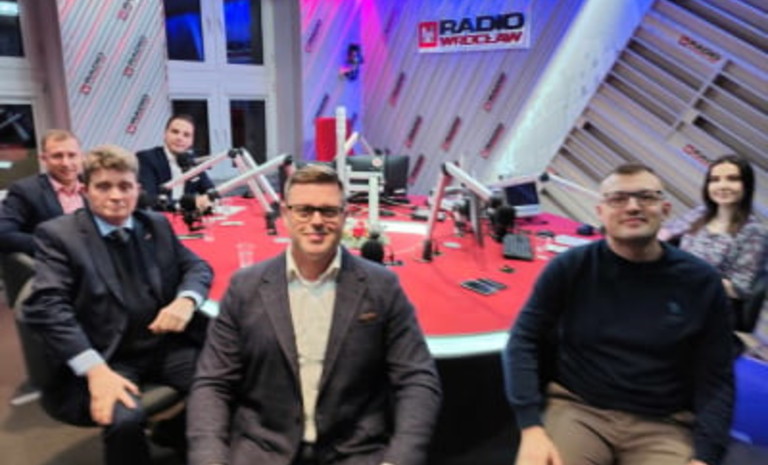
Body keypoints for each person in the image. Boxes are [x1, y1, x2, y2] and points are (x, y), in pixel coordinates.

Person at [188, 164, 442, 465]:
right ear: (286, 215)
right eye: (304, 210)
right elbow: (212, 383)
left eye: (329, 211)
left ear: (345, 216)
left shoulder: (382, 286)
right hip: (262, 451)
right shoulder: (245, 287)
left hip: (355, 452)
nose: (317, 221)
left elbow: (417, 378)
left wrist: (398, 460)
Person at [503, 163, 734, 465]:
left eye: (646, 197)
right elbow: (523, 340)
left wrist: (706, 456)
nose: (633, 206)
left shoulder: (701, 281)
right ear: (601, 212)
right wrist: (530, 427)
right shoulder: (570, 267)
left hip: (664, 422)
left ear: (665, 209)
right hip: (579, 409)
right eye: (618, 199)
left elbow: (717, 377)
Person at [22, 144, 213, 465]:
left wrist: (186, 299)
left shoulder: (155, 224)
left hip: (162, 346)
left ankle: (174, 433)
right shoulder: (59, 236)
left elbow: (197, 267)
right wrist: (95, 370)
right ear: (85, 191)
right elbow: (48, 308)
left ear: (138, 189)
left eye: (125, 186)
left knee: (228, 379)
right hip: (106, 355)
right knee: (124, 420)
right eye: (104, 187)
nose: (116, 196)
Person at [660, 155, 768, 330]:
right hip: (676, 290)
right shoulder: (700, 213)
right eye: (715, 180)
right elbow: (665, 234)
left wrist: (691, 273)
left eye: (732, 179)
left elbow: (739, 289)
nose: (722, 185)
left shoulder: (754, 231)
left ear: (746, 185)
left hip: (707, 304)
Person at [0, 129, 84, 256]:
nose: (66, 163)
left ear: (81, 157)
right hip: (56, 261)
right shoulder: (26, 190)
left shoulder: (94, 185)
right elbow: (4, 234)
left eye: (72, 155)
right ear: (43, 159)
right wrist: (52, 245)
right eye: (57, 156)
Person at [137, 114, 213, 211]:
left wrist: (208, 200)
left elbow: (210, 191)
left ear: (191, 141)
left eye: (186, 135)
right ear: (165, 134)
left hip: (188, 217)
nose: (180, 138)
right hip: (160, 217)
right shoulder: (147, 158)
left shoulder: (193, 161)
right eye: (175, 132)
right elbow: (150, 198)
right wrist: (189, 204)